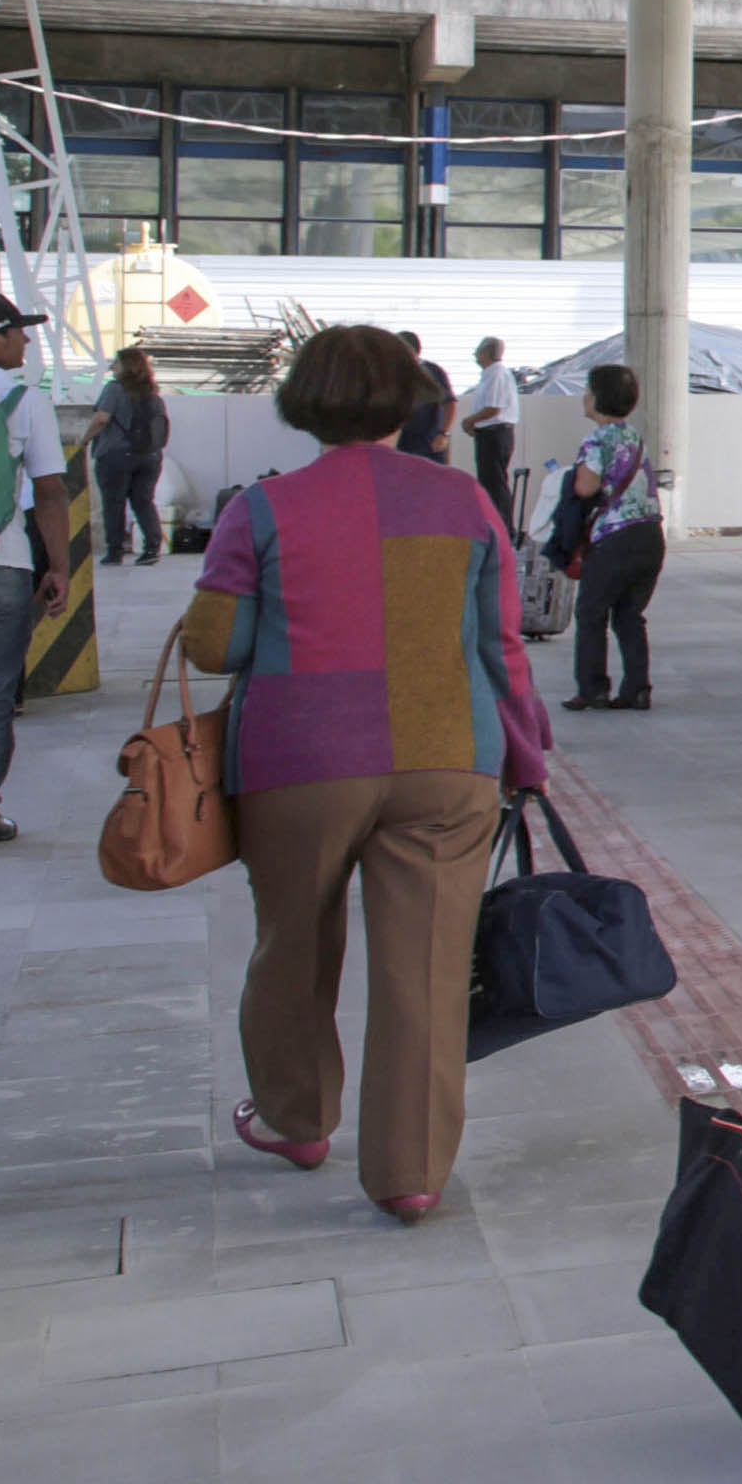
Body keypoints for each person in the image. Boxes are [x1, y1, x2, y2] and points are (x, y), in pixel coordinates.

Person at [182, 326, 550, 1223]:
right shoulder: (465, 501)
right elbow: (501, 646)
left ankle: (296, 1119)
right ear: (407, 402)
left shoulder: (261, 509)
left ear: (303, 402)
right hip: (445, 760)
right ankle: (410, 1173)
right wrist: (526, 755)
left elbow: (217, 644)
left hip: (300, 761)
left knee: (294, 945)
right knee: (425, 967)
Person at [0, 297, 69, 842]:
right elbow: (48, 491)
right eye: (20, 332)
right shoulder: (25, 401)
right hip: (5, 564)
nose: (26, 342)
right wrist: (60, 568)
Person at [563, 364, 665, 712]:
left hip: (615, 538)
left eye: (587, 390)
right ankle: (637, 688)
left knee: (591, 613)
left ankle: (592, 688)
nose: (584, 397)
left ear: (596, 397)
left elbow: (586, 486)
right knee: (629, 615)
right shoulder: (635, 437)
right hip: (650, 535)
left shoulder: (596, 439)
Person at [83, 343, 168, 566]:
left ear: (126, 366)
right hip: (150, 456)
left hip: (116, 455)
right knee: (144, 501)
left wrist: (83, 439)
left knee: (114, 503)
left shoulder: (115, 389)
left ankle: (115, 551)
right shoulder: (152, 392)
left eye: (116, 362)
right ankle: (152, 549)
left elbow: (102, 418)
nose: (112, 366)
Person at [460, 337, 519, 527]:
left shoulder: (497, 374)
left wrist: (470, 421)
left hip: (496, 434)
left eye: (478, 351)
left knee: (494, 484)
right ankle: (494, 526)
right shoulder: (489, 374)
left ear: (486, 352)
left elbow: (493, 408)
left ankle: (501, 528)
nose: (475, 355)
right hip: (489, 433)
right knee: (489, 482)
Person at [395, 332, 455, 462]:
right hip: (404, 442)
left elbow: (449, 404)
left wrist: (443, 434)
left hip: (430, 442)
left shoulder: (432, 371)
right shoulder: (394, 373)